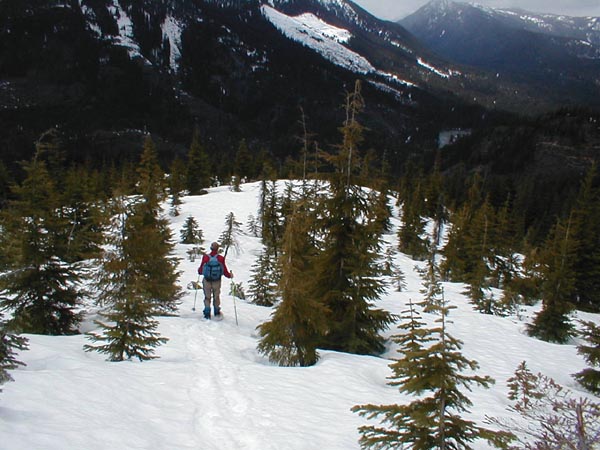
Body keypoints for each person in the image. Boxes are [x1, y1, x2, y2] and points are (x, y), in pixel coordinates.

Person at [198, 242, 233, 319]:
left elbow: (200, 270)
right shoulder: (220, 258)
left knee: (207, 297)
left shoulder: (205, 257)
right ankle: (216, 312)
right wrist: (230, 275)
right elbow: (224, 271)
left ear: (211, 248)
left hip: (207, 280)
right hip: (217, 281)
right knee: (216, 297)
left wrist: (200, 271)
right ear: (217, 249)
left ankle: (207, 313)